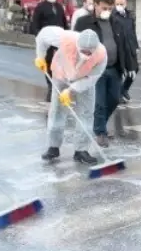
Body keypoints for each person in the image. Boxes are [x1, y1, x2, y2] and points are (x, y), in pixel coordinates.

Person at [34, 26, 107, 166]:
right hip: (61, 76)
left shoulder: (101, 54)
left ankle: (81, 151)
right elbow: (42, 35)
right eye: (83, 51)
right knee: (57, 111)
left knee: (86, 114)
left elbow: (92, 78)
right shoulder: (65, 37)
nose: (86, 54)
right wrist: (40, 56)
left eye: (89, 52)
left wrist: (72, 90)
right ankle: (53, 147)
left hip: (84, 80)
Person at [74, 0, 134, 145]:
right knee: (99, 102)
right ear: (95, 5)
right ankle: (101, 132)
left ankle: (98, 125)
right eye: (104, 8)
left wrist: (130, 66)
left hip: (114, 68)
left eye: (110, 9)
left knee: (114, 99)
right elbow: (76, 43)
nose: (107, 11)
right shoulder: (84, 23)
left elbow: (124, 45)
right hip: (95, 69)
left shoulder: (116, 23)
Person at [29, 0, 68, 102]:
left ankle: (59, 84)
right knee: (48, 62)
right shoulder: (40, 7)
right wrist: (38, 36)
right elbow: (35, 22)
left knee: (60, 63)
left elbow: (64, 22)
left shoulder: (59, 7)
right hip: (47, 40)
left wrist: (66, 35)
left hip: (59, 39)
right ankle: (51, 85)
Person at [113, 0, 139, 102]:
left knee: (135, 69)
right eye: (117, 4)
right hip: (120, 48)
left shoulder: (129, 16)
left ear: (125, 4)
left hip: (130, 47)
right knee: (120, 71)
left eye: (121, 4)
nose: (119, 6)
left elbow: (133, 32)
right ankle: (118, 95)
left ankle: (124, 89)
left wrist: (136, 46)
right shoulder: (113, 17)